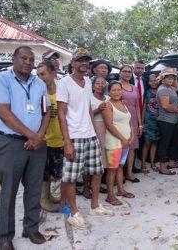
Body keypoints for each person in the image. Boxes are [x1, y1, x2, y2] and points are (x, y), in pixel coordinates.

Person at [0, 46, 50, 248]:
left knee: (33, 189)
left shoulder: (39, 83)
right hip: (11, 143)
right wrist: (32, 135)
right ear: (13, 59)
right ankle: (5, 238)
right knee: (8, 192)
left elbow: (46, 111)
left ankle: (31, 228)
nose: (28, 62)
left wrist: (39, 136)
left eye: (31, 60)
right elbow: (3, 113)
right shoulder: (0, 80)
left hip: (37, 144)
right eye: (23, 58)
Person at [57, 48, 114, 230]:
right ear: (72, 63)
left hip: (90, 135)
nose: (84, 63)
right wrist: (67, 141)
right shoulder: (64, 82)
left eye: (86, 61)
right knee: (71, 178)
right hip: (74, 137)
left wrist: (93, 131)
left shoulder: (88, 82)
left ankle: (95, 206)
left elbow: (88, 108)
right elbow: (61, 112)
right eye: (80, 60)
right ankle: (73, 213)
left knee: (97, 172)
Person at [102, 81, 135, 206]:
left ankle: (121, 190)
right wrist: (122, 138)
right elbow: (109, 125)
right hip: (114, 142)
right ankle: (110, 196)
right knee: (112, 169)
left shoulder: (123, 103)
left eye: (119, 90)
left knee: (120, 166)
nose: (116, 92)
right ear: (109, 92)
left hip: (125, 142)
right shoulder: (107, 105)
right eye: (113, 90)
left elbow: (129, 121)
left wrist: (131, 135)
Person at [36, 61, 63, 213]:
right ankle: (44, 200)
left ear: (53, 73)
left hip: (62, 138)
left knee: (60, 171)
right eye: (38, 75)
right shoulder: (38, 92)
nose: (40, 77)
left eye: (43, 74)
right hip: (45, 140)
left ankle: (57, 196)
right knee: (44, 171)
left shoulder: (63, 90)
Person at [119, 65, 143, 182]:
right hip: (120, 119)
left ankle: (129, 173)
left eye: (129, 71)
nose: (127, 73)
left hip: (133, 119)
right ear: (120, 73)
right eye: (124, 71)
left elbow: (137, 107)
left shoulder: (134, 87)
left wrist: (140, 124)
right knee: (121, 147)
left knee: (132, 147)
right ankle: (119, 174)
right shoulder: (117, 86)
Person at [157, 67, 178, 175]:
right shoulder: (163, 89)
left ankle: (171, 163)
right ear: (162, 79)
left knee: (175, 141)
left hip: (173, 120)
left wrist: (174, 74)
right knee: (164, 144)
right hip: (166, 121)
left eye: (172, 78)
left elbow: (176, 87)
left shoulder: (170, 88)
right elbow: (165, 105)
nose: (171, 80)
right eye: (169, 78)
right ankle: (162, 167)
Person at [87, 76, 109, 197]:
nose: (100, 85)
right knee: (91, 159)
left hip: (106, 129)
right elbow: (86, 113)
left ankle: (97, 185)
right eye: (98, 83)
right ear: (93, 85)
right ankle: (86, 188)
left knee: (102, 160)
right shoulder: (89, 97)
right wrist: (98, 109)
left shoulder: (108, 98)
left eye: (103, 83)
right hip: (93, 128)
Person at [141, 74, 160, 173]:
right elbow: (144, 108)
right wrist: (142, 122)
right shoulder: (147, 93)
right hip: (148, 121)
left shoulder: (161, 91)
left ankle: (152, 163)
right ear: (148, 82)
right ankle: (143, 164)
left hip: (158, 121)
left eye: (155, 80)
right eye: (151, 81)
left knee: (155, 143)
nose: (154, 82)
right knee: (147, 143)